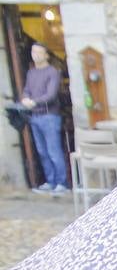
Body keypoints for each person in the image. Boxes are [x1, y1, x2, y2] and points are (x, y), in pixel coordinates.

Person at [20, 42, 68, 195]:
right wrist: (25, 98)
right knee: (42, 151)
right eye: (33, 52)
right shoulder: (31, 73)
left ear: (46, 55)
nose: (35, 55)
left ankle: (62, 183)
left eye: (39, 52)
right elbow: (26, 89)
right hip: (35, 116)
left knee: (54, 151)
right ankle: (50, 181)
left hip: (49, 116)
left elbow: (51, 94)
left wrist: (34, 101)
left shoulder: (53, 71)